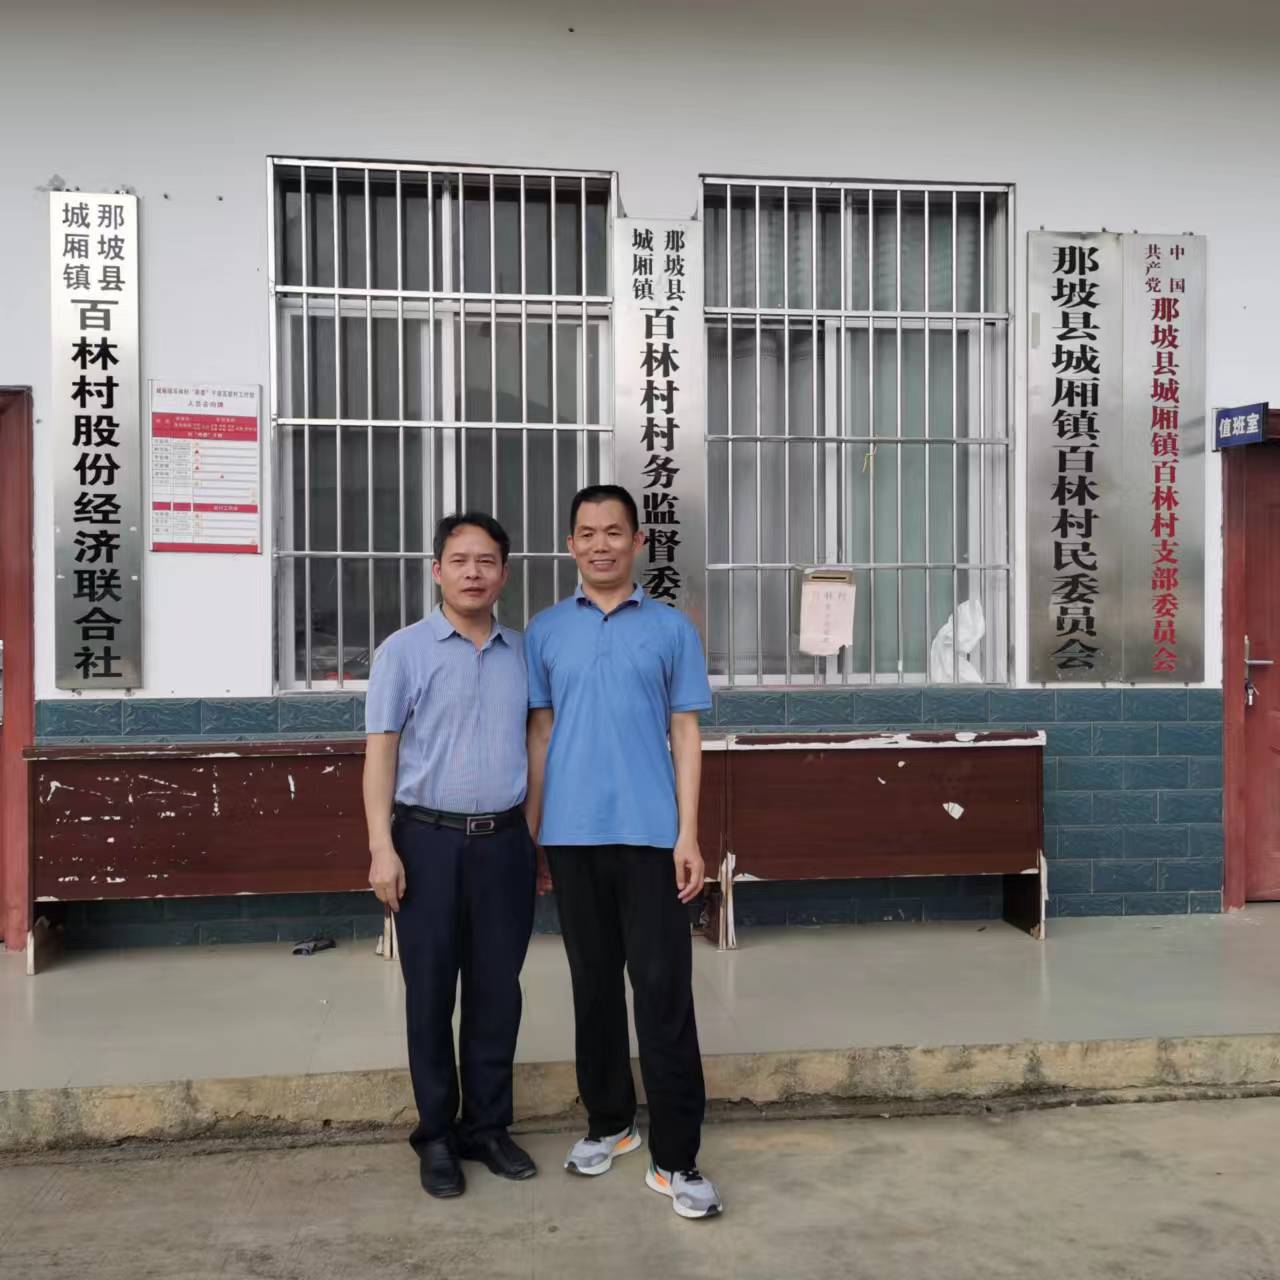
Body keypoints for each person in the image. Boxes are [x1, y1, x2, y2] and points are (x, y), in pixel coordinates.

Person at [524, 484, 723, 1220]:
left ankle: (677, 1157)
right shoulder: (544, 631)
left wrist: (688, 833)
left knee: (664, 991)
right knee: (594, 987)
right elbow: (540, 734)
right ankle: (609, 1122)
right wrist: (535, 835)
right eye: (587, 532)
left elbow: (686, 734)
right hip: (571, 838)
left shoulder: (671, 630)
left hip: (651, 838)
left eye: (614, 531)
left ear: (638, 541)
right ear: (570, 545)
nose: (600, 544)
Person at [362, 512, 537, 1200]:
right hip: (426, 842)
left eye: (486, 561)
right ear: (437, 571)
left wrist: (532, 838)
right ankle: (435, 1134)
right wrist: (382, 847)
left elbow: (538, 744)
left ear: (504, 574)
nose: (473, 573)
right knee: (431, 993)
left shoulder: (524, 653)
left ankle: (486, 1127)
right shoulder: (403, 652)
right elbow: (380, 754)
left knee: (498, 992)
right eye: (459, 560)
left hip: (504, 844)